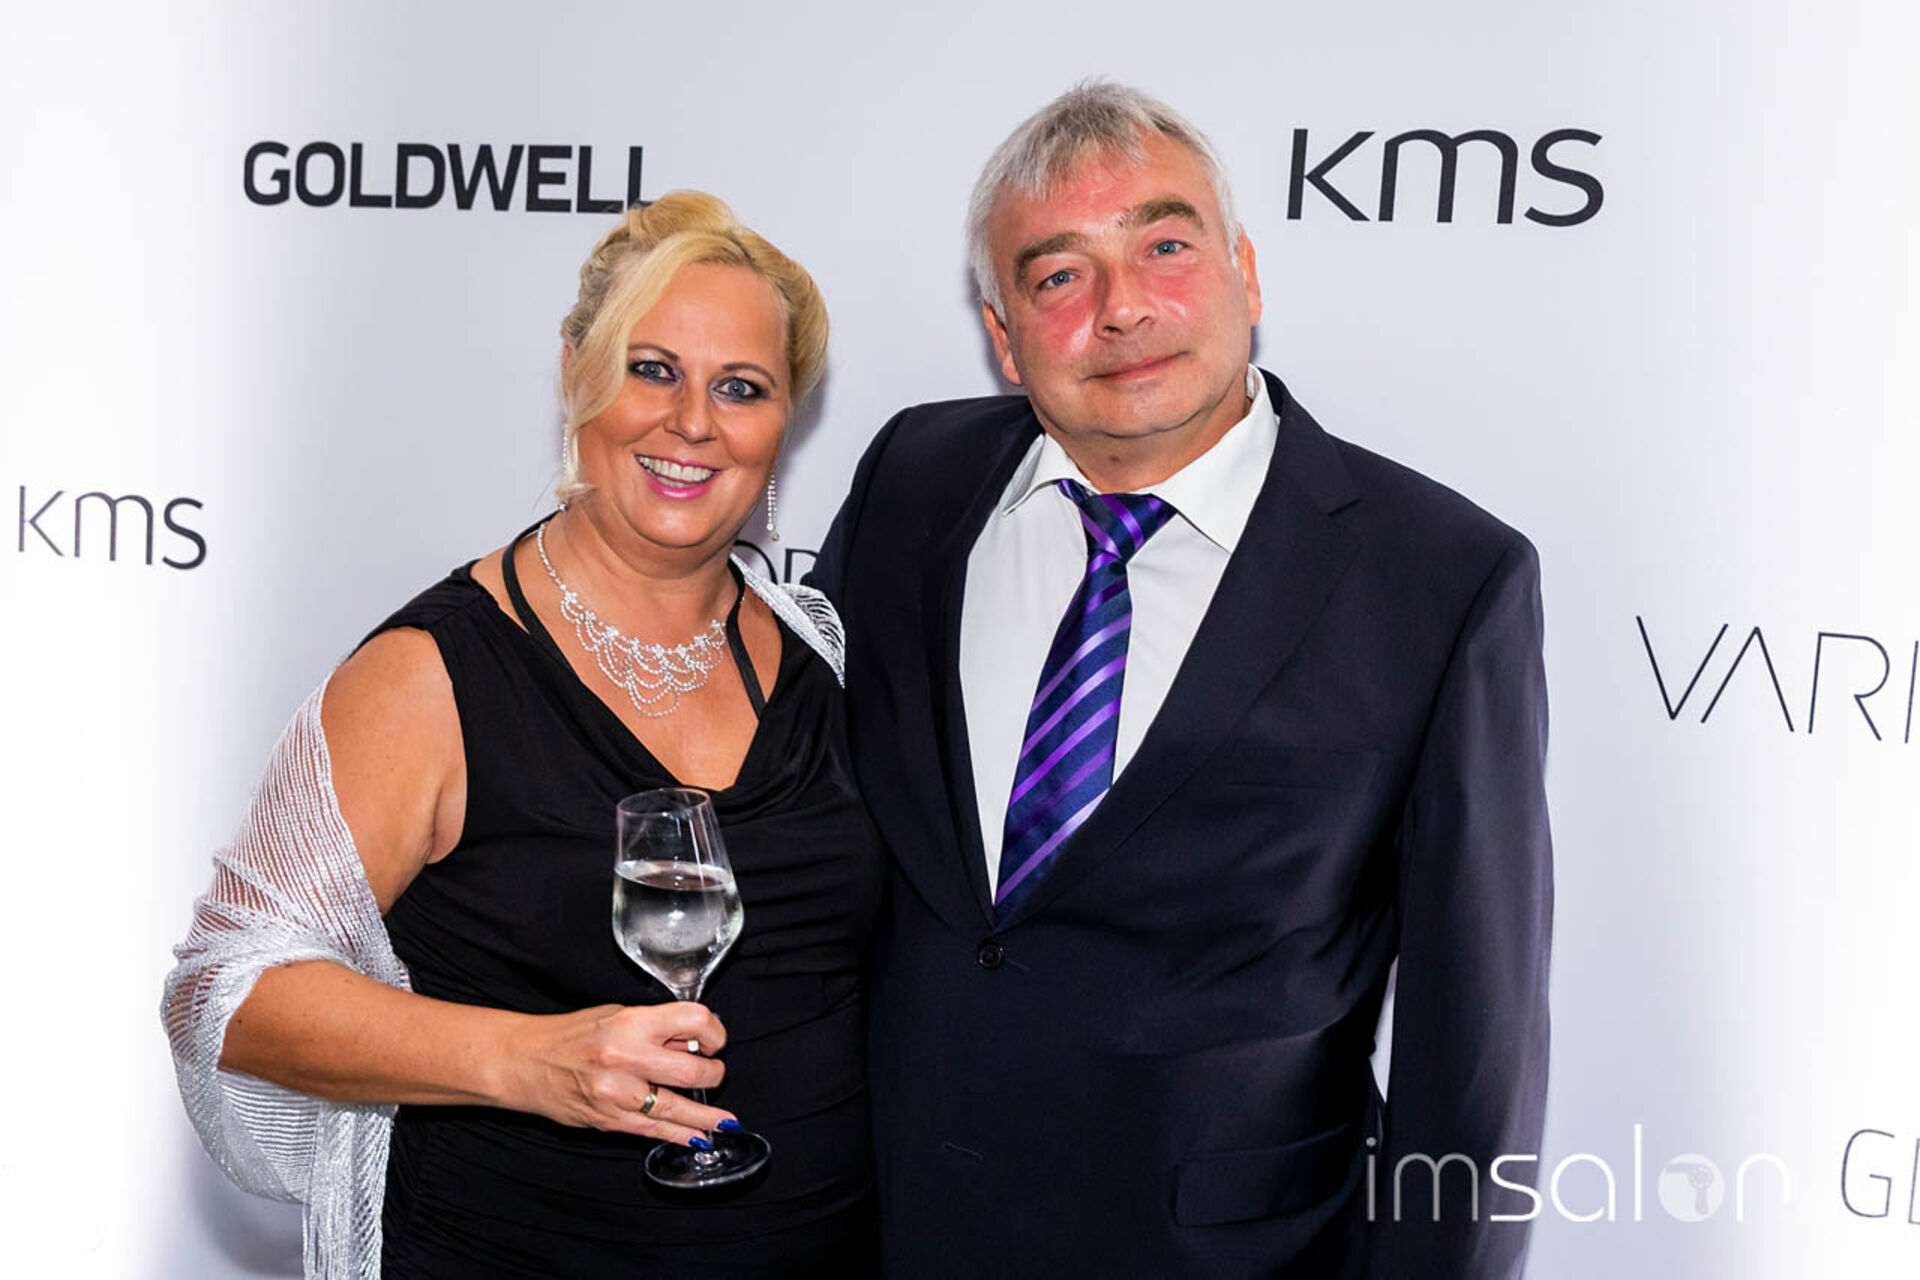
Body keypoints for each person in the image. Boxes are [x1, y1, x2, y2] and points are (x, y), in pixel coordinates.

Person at [809, 82, 1553, 1277]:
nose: (1122, 308)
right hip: (886, 1227)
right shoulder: (911, 478)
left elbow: (1474, 1055)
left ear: (1245, 275)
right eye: (1060, 275)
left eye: (1164, 246)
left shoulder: (1440, 579)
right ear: (1003, 333)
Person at [163, 191, 884, 1278]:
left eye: (741, 387)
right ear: (573, 370)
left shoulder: (817, 648)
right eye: (652, 369)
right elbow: (226, 992)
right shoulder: (432, 672)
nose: (693, 421)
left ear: (785, 421)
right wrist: (526, 1057)